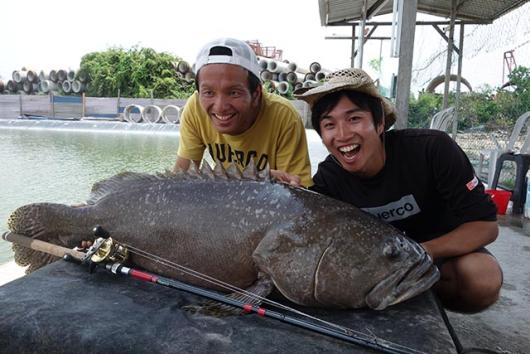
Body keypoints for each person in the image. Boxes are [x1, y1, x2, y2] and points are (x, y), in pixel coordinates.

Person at [295, 68, 502, 313]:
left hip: (440, 256)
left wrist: (419, 253)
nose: (342, 134)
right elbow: (307, 235)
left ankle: (425, 309)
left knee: (482, 279)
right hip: (375, 267)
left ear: (380, 123)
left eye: (354, 119)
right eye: (329, 125)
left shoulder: (432, 149)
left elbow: (485, 226)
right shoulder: (329, 178)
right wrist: (286, 191)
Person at [174, 38, 312, 187]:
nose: (220, 107)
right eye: (208, 92)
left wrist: (264, 180)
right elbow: (179, 182)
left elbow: (297, 193)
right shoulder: (195, 109)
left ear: (256, 93)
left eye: (233, 93)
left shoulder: (284, 117)